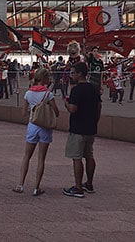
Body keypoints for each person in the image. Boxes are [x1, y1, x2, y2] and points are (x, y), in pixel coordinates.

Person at [13, 67, 59, 196]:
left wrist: (33, 111)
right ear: (45, 79)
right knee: (41, 159)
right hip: (45, 127)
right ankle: (36, 187)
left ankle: (20, 184)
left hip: (32, 125)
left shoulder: (28, 93)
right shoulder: (48, 94)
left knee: (27, 156)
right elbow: (56, 112)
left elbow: (23, 113)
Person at [62, 62, 102, 198]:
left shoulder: (76, 90)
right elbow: (99, 106)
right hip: (91, 127)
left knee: (77, 157)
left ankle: (78, 187)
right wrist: (95, 120)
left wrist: (66, 104)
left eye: (73, 73)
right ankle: (89, 184)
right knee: (89, 156)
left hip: (78, 128)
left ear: (79, 74)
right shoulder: (93, 88)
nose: (71, 75)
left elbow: (73, 109)